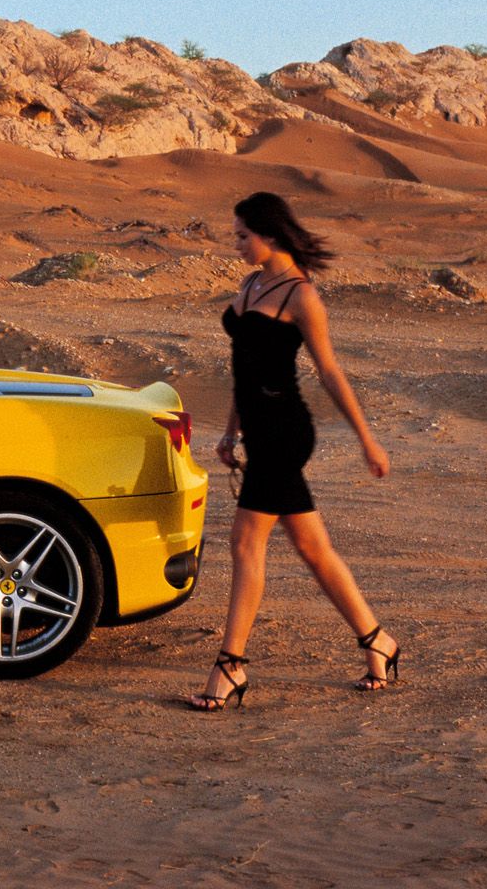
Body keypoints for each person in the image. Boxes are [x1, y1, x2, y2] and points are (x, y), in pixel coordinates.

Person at [185, 192, 398, 710]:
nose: (235, 245)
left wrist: (367, 438)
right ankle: (378, 642)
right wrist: (231, 432)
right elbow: (245, 366)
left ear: (271, 235)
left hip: (285, 429)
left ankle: (230, 666)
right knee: (312, 548)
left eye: (242, 235)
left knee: (244, 541)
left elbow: (329, 372)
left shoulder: (301, 296)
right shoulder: (251, 282)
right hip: (257, 427)